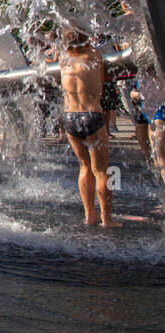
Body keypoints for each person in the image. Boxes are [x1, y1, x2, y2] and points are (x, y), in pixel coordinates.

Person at [57, 29, 118, 227]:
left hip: (69, 118)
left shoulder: (63, 61)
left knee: (84, 167)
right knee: (101, 170)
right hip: (92, 115)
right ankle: (107, 218)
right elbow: (100, 83)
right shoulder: (95, 57)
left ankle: (89, 215)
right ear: (86, 42)